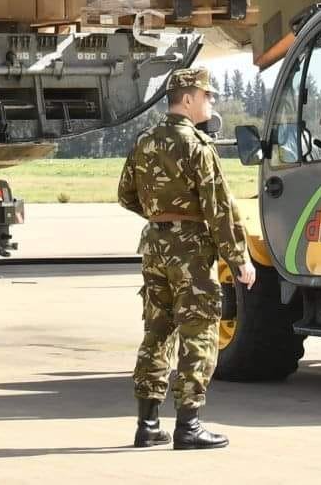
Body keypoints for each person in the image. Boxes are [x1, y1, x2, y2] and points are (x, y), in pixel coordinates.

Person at [117, 67, 255, 450]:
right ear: (189, 98)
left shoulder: (146, 141)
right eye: (208, 95)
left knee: (157, 332)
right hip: (191, 252)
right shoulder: (197, 146)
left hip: (155, 247)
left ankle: (147, 425)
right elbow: (220, 209)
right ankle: (189, 425)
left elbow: (126, 194)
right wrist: (239, 257)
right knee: (199, 332)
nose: (211, 101)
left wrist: (161, 217)